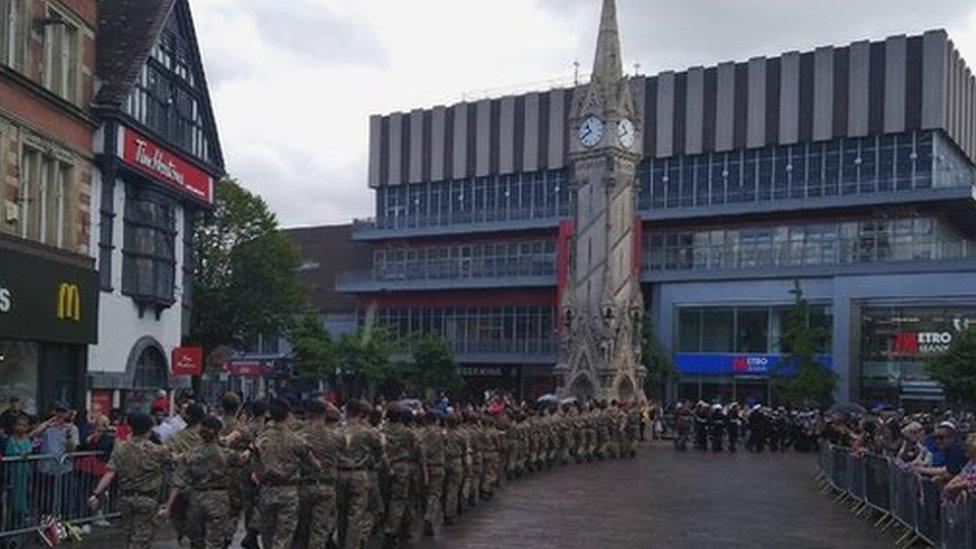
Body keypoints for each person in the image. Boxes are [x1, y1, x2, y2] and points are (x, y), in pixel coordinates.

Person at [89, 413, 169, 549]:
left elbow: (110, 472)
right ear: (149, 430)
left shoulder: (120, 448)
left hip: (126, 498)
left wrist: (96, 494)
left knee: (130, 536)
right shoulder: (158, 451)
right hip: (147, 499)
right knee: (142, 540)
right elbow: (176, 460)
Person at [253, 398, 317, 549]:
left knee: (267, 534)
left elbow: (254, 462)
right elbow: (313, 463)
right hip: (288, 491)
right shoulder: (295, 439)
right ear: (288, 415)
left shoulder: (261, 439)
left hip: (266, 490)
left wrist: (260, 474)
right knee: (283, 536)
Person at [338, 399, 383, 549]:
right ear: (361, 413)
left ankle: (342, 542)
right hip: (359, 474)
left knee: (342, 514)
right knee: (356, 514)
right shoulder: (367, 432)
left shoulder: (337, 431)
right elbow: (379, 447)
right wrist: (374, 463)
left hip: (340, 474)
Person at [295, 400, 341, 548]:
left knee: (302, 531)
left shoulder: (298, 436)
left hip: (303, 487)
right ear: (324, 414)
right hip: (326, 488)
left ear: (307, 414)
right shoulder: (336, 436)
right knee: (319, 532)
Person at [4, 415, 33, 528]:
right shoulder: (10, 440)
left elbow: (29, 452)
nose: (21, 427)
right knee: (12, 502)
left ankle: (21, 523)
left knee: (25, 498)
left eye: (24, 425)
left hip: (25, 474)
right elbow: (9, 454)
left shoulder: (27, 440)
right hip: (13, 475)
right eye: (19, 425)